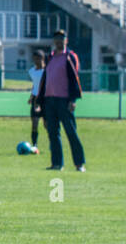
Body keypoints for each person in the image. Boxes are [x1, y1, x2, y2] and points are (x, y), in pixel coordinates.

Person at [38, 29, 85, 172]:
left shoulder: (70, 57)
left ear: (66, 40)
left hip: (64, 100)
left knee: (71, 132)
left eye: (61, 38)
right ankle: (57, 164)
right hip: (50, 100)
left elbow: (74, 78)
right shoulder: (50, 57)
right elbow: (45, 79)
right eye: (57, 38)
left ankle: (79, 164)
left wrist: (73, 99)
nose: (59, 41)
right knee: (53, 133)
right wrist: (40, 101)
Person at [27, 49, 46, 150]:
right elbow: (35, 84)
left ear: (42, 59)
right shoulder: (31, 71)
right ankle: (34, 145)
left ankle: (53, 144)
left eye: (37, 59)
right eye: (34, 59)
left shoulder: (47, 71)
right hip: (35, 99)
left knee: (47, 124)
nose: (35, 61)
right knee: (34, 123)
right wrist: (31, 97)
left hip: (45, 98)